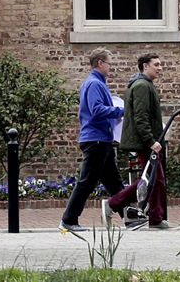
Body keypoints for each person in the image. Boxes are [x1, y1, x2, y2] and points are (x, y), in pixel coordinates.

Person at [58, 48, 125, 232]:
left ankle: (130, 217)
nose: (111, 67)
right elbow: (96, 110)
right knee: (87, 181)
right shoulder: (94, 84)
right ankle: (68, 220)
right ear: (100, 63)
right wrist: (121, 111)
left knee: (114, 182)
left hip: (101, 139)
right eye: (109, 63)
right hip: (96, 140)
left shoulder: (96, 83)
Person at [106, 52, 168, 229]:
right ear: (145, 66)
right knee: (154, 180)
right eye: (156, 64)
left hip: (147, 142)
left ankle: (155, 218)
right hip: (145, 143)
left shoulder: (145, 85)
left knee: (152, 179)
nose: (160, 68)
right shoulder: (141, 86)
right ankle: (114, 204)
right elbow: (141, 118)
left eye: (160, 64)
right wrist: (151, 141)